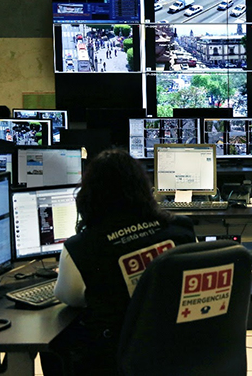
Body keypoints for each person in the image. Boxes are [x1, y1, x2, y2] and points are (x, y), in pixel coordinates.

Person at [42, 149, 196, 376]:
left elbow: (68, 297)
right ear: (144, 188)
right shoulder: (182, 229)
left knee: (54, 340)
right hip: (179, 348)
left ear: (89, 195)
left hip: (117, 357)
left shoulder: (81, 247)